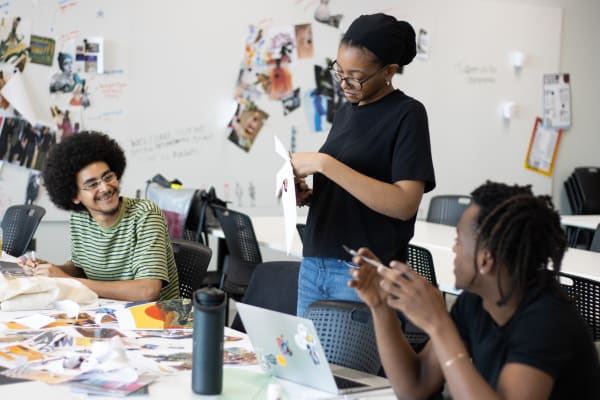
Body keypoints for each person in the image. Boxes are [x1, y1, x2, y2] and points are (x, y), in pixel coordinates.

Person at [349, 181, 600, 399]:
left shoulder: (547, 320)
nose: (454, 249)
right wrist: (381, 308)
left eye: (459, 239)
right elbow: (414, 387)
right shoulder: (475, 302)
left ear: (485, 259)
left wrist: (439, 324)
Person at [291, 13, 435, 316]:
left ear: (389, 71)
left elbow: (404, 203)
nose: (344, 83)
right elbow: (352, 191)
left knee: (349, 366)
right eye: (339, 71)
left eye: (355, 75)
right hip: (315, 261)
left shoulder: (407, 114)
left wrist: (324, 164)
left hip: (362, 272)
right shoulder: (346, 112)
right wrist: (308, 195)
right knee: (309, 364)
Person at [18, 131, 180, 302]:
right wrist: (50, 270)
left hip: (159, 319)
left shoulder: (145, 214)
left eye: (108, 177)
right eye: (92, 184)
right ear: (75, 197)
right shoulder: (79, 218)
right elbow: (81, 269)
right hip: (107, 313)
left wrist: (68, 281)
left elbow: (147, 291)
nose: (105, 188)